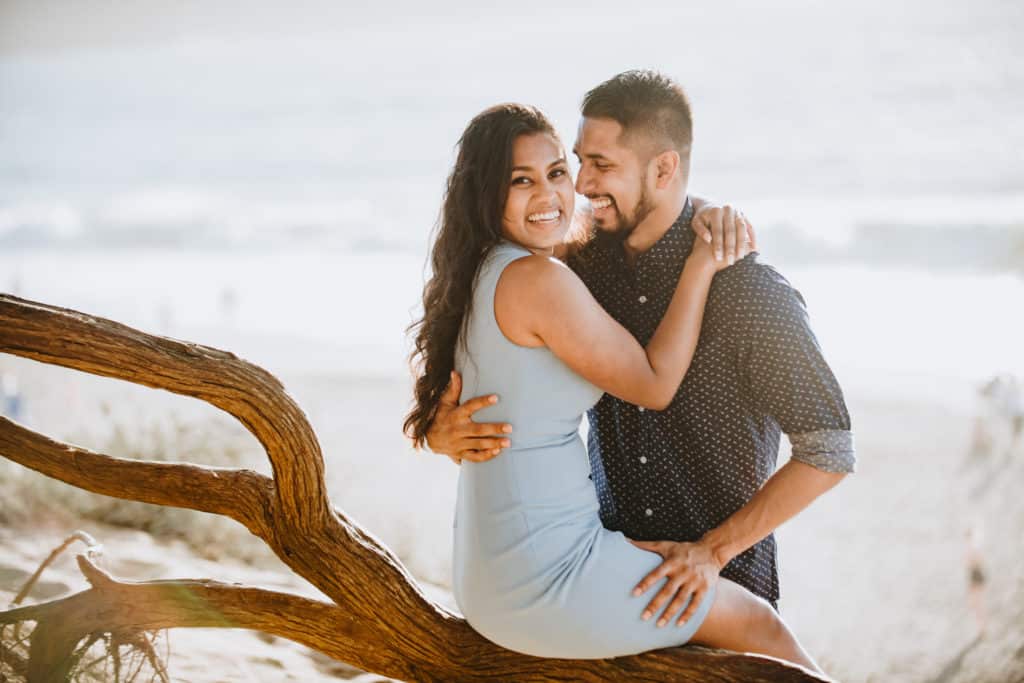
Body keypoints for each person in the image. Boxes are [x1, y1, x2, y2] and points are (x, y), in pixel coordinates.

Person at [426, 70, 857, 662]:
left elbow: (830, 450)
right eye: (577, 162)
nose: (580, 184)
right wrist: (441, 428)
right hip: (605, 567)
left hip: (716, 579)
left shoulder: (750, 293)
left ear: (663, 169)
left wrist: (712, 552)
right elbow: (486, 344)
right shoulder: (579, 270)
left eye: (599, 165)